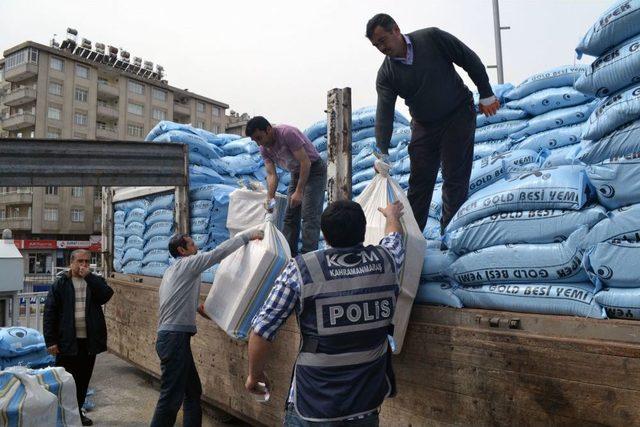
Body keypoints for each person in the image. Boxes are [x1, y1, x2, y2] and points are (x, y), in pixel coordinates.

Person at [246, 200, 406, 426]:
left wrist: (255, 375)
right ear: (363, 229)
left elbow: (262, 330)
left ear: (325, 235)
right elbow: (394, 239)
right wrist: (392, 216)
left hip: (313, 403)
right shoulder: (387, 261)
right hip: (364, 406)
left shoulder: (302, 269)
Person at [366, 13, 500, 233]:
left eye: (382, 40)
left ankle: (451, 233)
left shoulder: (432, 38)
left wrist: (486, 94)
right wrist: (381, 152)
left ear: (396, 30)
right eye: (376, 45)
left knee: (454, 176)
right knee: (419, 181)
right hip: (424, 124)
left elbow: (469, 59)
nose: (381, 47)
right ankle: (411, 237)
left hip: (457, 113)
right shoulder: (386, 74)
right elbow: (384, 114)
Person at [150, 229, 264, 427]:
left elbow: (174, 298)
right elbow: (218, 253)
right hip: (174, 339)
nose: (197, 247)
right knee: (170, 398)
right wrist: (247, 236)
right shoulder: (188, 264)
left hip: (173, 339)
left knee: (192, 393)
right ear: (182, 250)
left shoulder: (172, 270)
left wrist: (199, 309)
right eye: (192, 244)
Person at [44, 249, 114, 426]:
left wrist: (90, 277)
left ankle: (78, 413)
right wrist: (50, 341)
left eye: (87, 262)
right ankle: (60, 415)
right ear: (71, 262)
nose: (83, 265)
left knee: (83, 380)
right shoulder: (61, 283)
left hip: (88, 342)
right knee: (65, 380)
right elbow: (50, 313)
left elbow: (107, 294)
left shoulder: (93, 282)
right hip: (67, 341)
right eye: (80, 261)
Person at [246, 116, 327, 257]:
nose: (259, 143)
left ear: (268, 129)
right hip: (296, 173)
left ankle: (309, 258)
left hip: (314, 170)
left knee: (309, 216)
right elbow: (271, 175)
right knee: (290, 216)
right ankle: (289, 257)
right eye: (255, 140)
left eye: (259, 137)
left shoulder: (287, 133)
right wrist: (269, 200)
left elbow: (305, 162)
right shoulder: (264, 149)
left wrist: (299, 191)